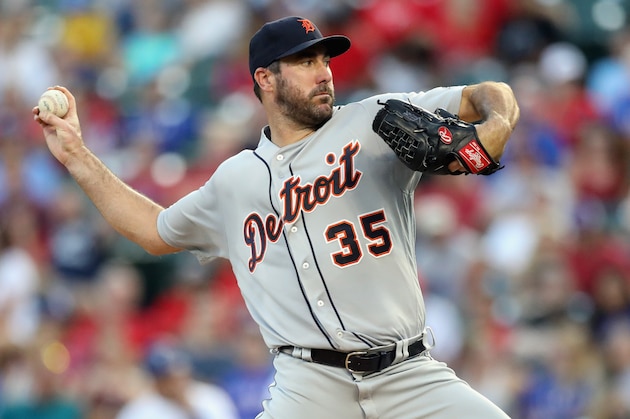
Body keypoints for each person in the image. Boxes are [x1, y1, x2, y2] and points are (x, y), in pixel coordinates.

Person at [34, 15, 519, 419]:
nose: (324, 72)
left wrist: (494, 126)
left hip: (408, 375)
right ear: (265, 79)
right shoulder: (235, 181)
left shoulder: (373, 119)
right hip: (310, 387)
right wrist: (76, 154)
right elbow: (154, 231)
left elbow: (489, 92)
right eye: (306, 62)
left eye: (325, 60)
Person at [115, 339, 239, 419]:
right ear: (157, 381)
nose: (177, 382)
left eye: (180, 373)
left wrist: (188, 409)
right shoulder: (140, 408)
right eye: (168, 378)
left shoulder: (211, 396)